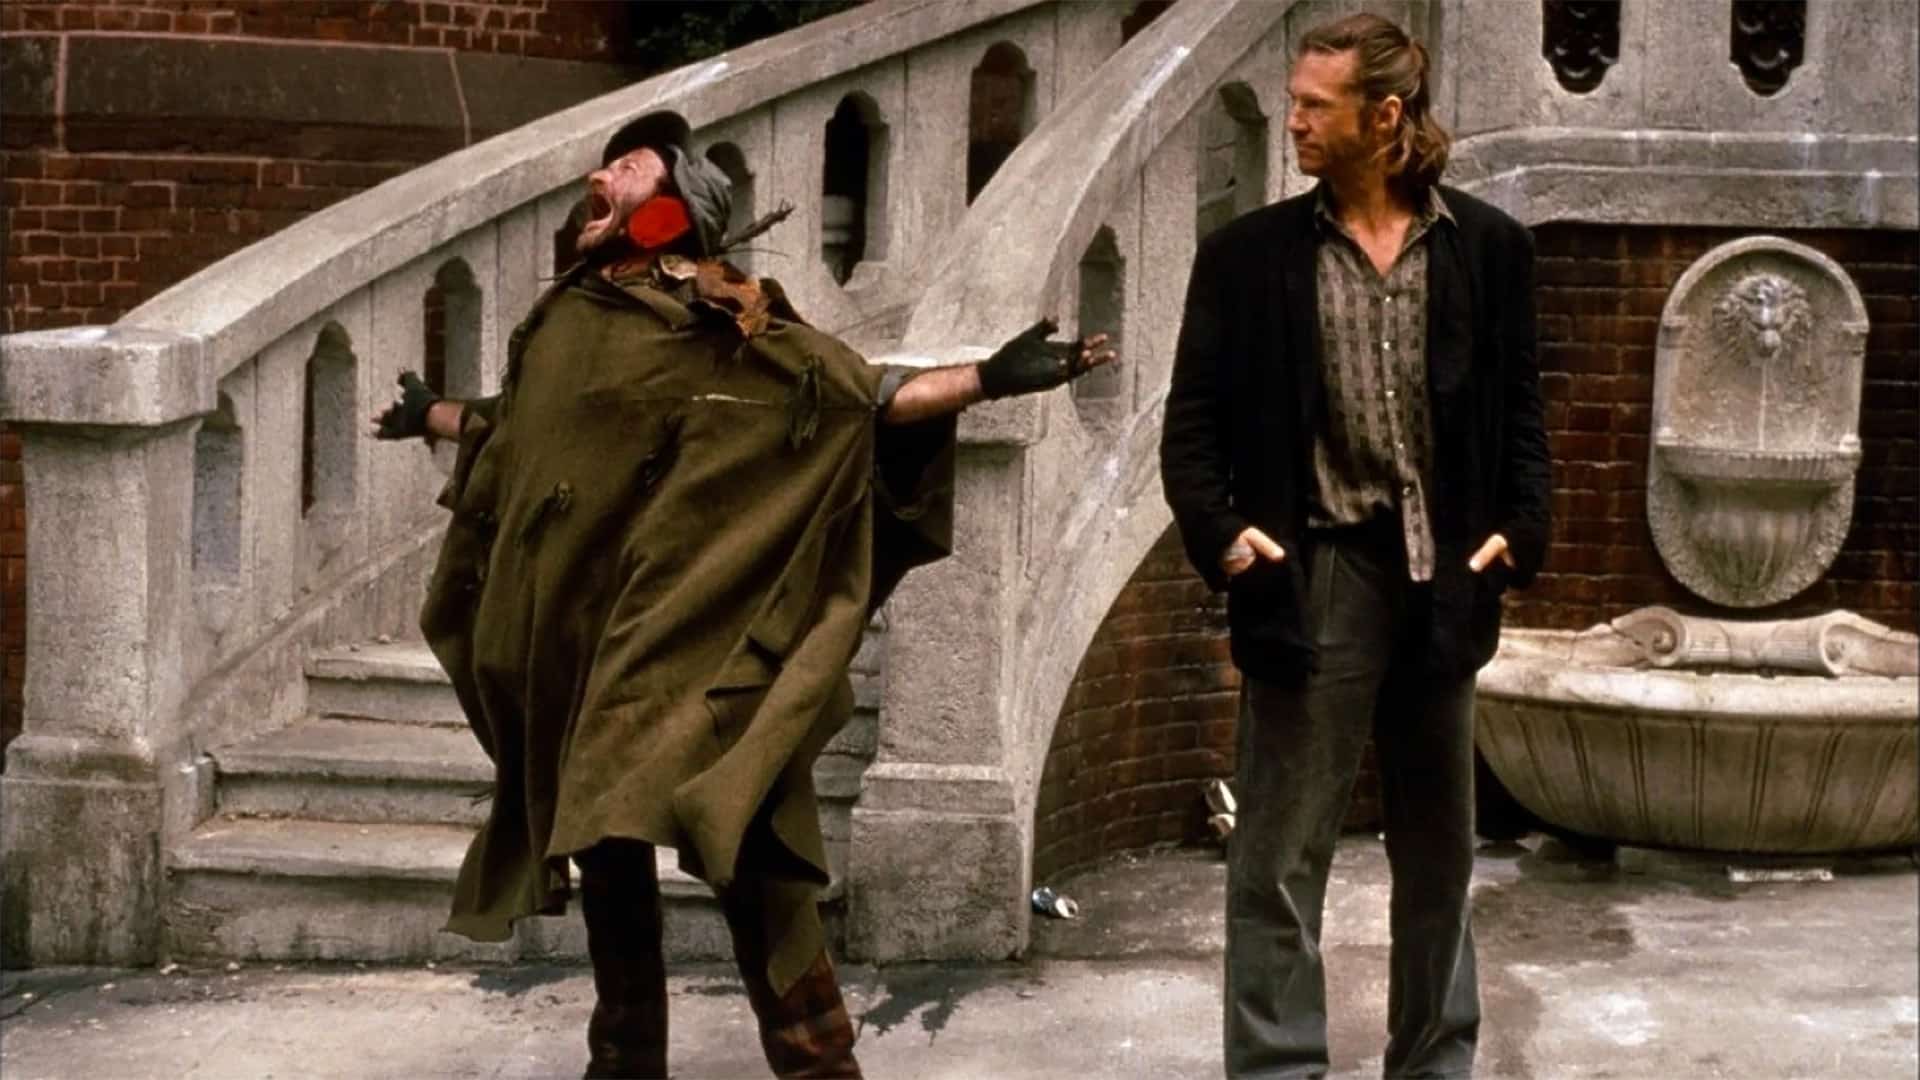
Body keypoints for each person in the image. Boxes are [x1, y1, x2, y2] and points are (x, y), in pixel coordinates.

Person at [373, 110, 1113, 1079]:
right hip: (579, 637)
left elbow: (852, 393)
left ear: (671, 207)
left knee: (748, 836)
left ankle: (819, 1063)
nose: (601, 178)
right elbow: (518, 425)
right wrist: (428, 413)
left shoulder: (723, 313)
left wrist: (987, 379)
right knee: (600, 838)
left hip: (691, 634)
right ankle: (624, 1061)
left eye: (626, 167)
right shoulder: (564, 321)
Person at [1158, 13, 1550, 1079]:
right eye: (1292, 102)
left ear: (1383, 118)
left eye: (1312, 106)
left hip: (1442, 576)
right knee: (1278, 860)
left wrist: (1521, 530)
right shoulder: (1246, 259)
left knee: (1440, 859)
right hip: (1314, 574)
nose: (1291, 120)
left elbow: (1521, 412)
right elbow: (1191, 427)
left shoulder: (1489, 248)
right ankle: (1278, 1069)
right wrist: (1222, 536)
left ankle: (1435, 1063)